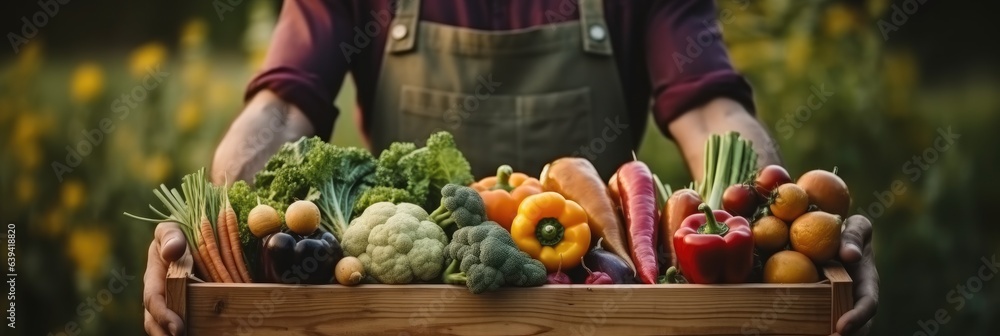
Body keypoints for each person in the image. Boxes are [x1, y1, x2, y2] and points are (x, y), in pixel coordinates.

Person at [143, 0, 878, 335]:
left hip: (602, 312)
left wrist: (781, 221)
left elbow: (714, 111)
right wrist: (210, 226)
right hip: (401, 322)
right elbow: (280, 106)